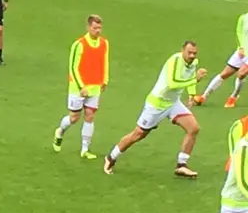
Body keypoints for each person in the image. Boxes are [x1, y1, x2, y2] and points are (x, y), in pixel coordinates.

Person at [104, 41, 207, 177]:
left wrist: (192, 94)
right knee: (139, 134)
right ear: (182, 51)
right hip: (157, 103)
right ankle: (111, 157)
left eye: (195, 53)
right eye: (189, 53)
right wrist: (194, 80)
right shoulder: (174, 61)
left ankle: (181, 165)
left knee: (193, 128)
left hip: (173, 103)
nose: (192, 56)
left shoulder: (193, 63)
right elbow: (172, 83)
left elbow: (189, 77)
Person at [53, 15, 109, 160]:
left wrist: (105, 80)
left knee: (90, 116)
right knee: (74, 118)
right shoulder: (79, 44)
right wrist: (81, 87)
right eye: (95, 28)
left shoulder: (104, 43)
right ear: (88, 27)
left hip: (95, 87)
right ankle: (60, 131)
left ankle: (85, 149)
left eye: (99, 28)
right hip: (78, 88)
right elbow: (73, 67)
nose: (98, 31)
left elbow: (105, 61)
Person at [194, 12, 248, 108]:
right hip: (242, 52)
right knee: (225, 74)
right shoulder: (243, 18)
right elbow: (239, 32)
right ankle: (203, 96)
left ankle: (233, 97)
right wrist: (240, 47)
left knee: (241, 74)